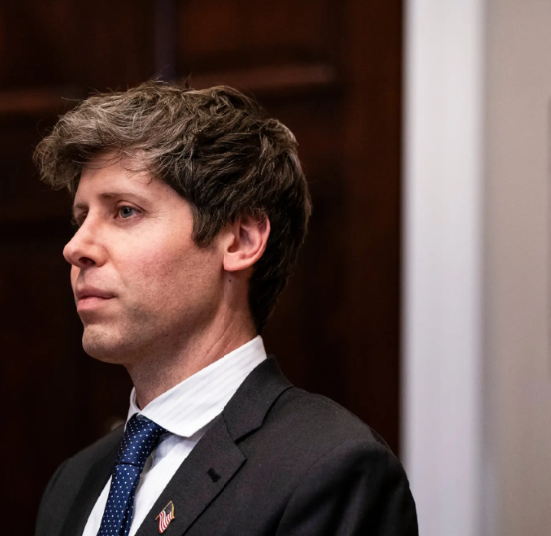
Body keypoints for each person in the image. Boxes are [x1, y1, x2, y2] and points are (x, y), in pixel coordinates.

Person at [33, 81, 418, 536]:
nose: (75, 247)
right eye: (81, 218)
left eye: (125, 211)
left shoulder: (330, 469)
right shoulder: (73, 482)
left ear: (240, 240)